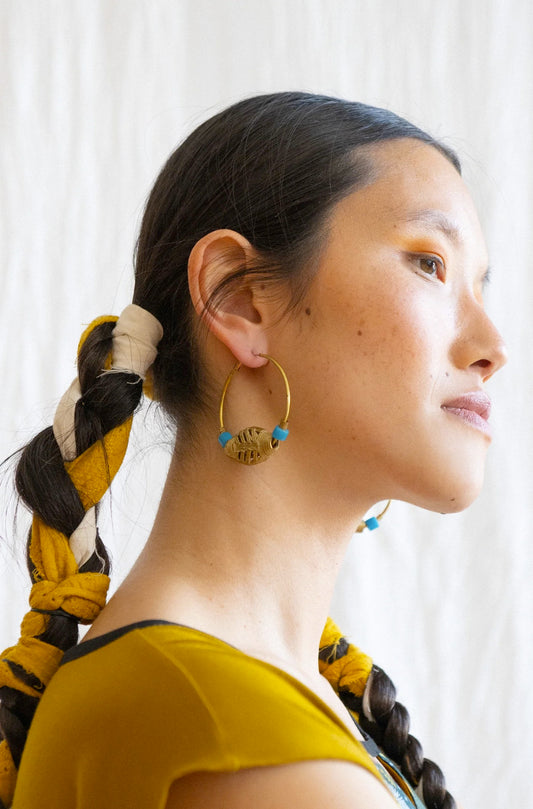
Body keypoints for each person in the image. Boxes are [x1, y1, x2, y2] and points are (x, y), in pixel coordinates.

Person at [0, 92, 506, 809]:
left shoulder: (233, 699)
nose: (493, 347)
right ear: (238, 299)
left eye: (481, 285)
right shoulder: (224, 728)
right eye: (430, 264)